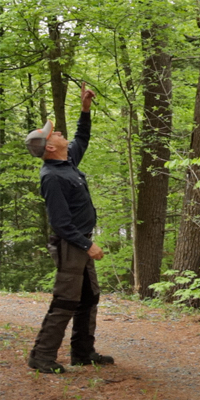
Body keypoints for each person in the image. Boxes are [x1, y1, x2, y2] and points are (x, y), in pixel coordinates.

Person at [25, 83, 114, 373]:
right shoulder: (51, 177)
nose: (59, 132)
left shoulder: (67, 161)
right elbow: (60, 223)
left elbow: (82, 137)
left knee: (89, 296)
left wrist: (85, 109)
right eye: (54, 133)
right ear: (50, 146)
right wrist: (88, 245)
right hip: (71, 245)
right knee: (66, 300)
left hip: (80, 242)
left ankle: (83, 353)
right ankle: (41, 357)